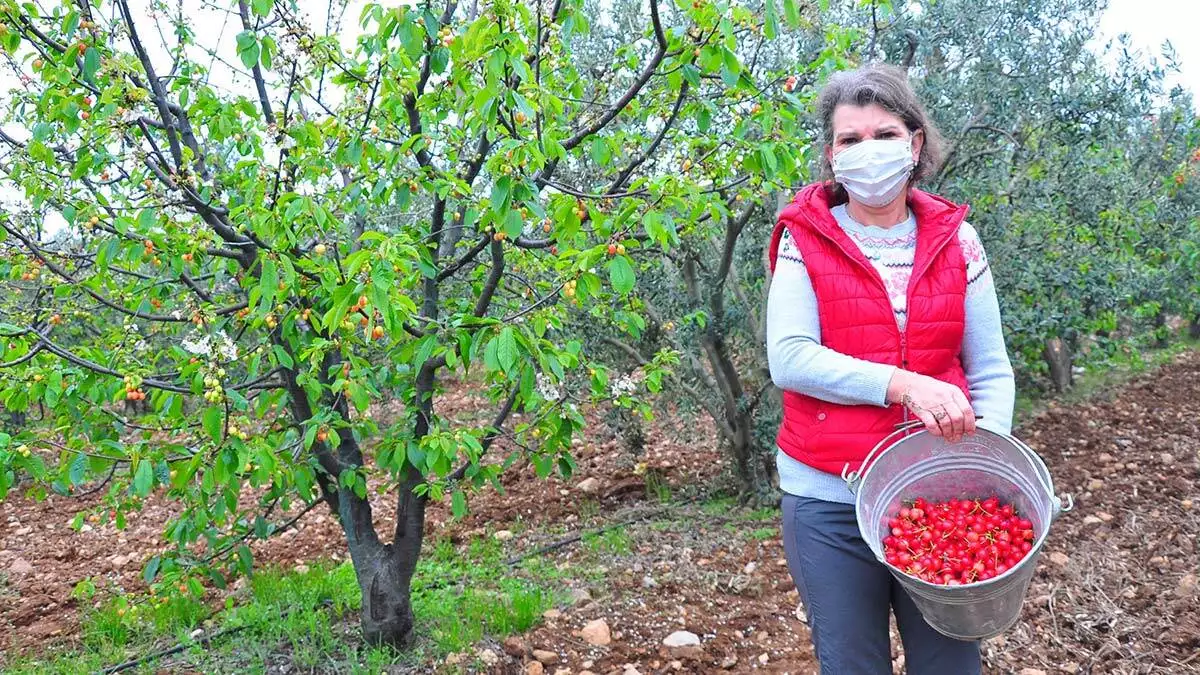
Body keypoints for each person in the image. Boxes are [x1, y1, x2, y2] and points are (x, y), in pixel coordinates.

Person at [765, 63, 1015, 674]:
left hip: (935, 491)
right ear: (831, 156)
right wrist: (903, 385)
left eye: (884, 134)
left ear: (915, 143)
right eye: (850, 140)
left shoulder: (960, 242)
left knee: (950, 664)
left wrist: (986, 465)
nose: (867, 151)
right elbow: (789, 357)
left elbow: (990, 370)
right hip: (830, 495)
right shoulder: (805, 239)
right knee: (853, 664)